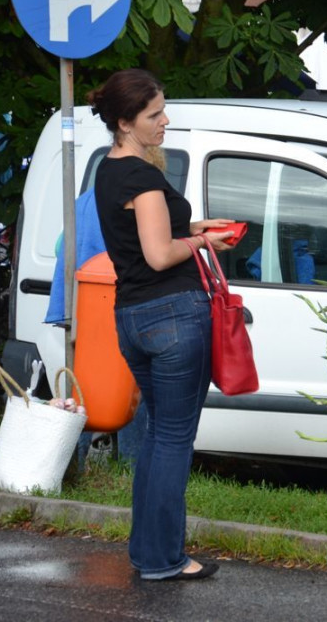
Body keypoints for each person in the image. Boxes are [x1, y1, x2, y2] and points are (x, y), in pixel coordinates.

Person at [89, 68, 239, 581]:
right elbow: (158, 255)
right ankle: (164, 559)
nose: (165, 121)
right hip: (174, 313)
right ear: (126, 122)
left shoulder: (108, 172)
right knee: (173, 440)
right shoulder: (144, 176)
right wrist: (203, 242)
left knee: (156, 437)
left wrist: (192, 227)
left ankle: (147, 553)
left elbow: (142, 237)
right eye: (155, 114)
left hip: (131, 317)